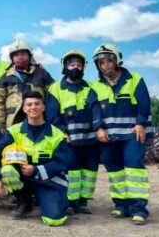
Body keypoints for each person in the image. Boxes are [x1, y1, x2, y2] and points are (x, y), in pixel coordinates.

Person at [0, 91, 71, 226]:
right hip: (24, 179)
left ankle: (53, 200)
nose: (33, 107)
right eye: (29, 104)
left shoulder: (58, 135)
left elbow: (62, 164)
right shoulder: (14, 131)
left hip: (48, 181)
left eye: (37, 104)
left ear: (44, 107)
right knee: (8, 169)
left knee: (55, 220)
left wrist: (35, 170)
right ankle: (24, 201)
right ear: (24, 108)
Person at [90, 44, 153, 225]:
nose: (105, 65)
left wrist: (141, 123)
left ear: (116, 61)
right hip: (108, 136)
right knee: (114, 170)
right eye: (101, 62)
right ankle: (120, 205)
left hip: (132, 134)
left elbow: (144, 104)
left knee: (134, 168)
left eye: (109, 61)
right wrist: (98, 128)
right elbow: (94, 109)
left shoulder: (134, 79)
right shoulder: (96, 85)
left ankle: (139, 209)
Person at [46, 50, 101, 214]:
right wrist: (63, 133)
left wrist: (98, 129)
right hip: (69, 139)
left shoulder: (91, 87)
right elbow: (52, 114)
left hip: (91, 139)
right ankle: (71, 202)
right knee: (72, 170)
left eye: (79, 64)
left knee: (90, 170)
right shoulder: (55, 89)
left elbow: (96, 109)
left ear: (84, 67)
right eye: (72, 64)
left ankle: (83, 201)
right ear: (65, 66)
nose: (75, 67)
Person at [0, 39, 54, 132]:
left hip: (39, 122)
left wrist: (51, 122)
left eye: (23, 54)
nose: (20, 57)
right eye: (16, 55)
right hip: (13, 124)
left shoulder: (41, 73)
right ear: (12, 58)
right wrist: (0, 126)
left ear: (29, 56)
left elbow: (53, 97)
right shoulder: (5, 78)